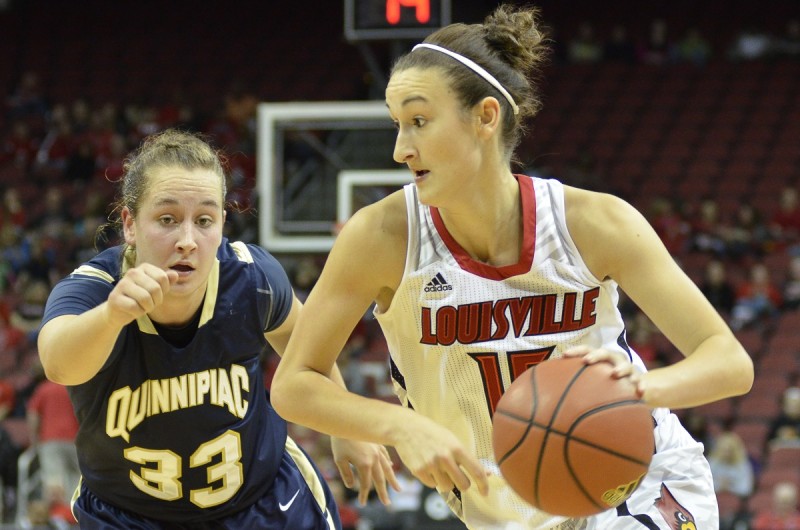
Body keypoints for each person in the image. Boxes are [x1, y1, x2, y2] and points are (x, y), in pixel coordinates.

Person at [271, 4, 754, 529]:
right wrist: (392, 425)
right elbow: (295, 383)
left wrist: (641, 391)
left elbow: (729, 362)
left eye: (418, 121)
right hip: (502, 509)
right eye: (396, 125)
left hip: (633, 478)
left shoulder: (593, 223)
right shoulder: (382, 237)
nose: (399, 149)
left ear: (485, 116)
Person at [37, 129, 394, 529]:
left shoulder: (252, 276)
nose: (188, 240)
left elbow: (309, 351)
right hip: (129, 516)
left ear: (223, 223)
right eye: (167, 219)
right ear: (130, 224)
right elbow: (58, 364)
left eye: (204, 220)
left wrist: (345, 427)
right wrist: (111, 317)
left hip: (262, 501)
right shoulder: (93, 288)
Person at [26, 376, 80, 514]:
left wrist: (34, 440)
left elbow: (33, 414)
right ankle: (75, 515)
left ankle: (57, 517)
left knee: (54, 480)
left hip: (51, 440)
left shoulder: (44, 388)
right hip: (76, 439)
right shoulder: (74, 387)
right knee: (78, 480)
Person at [707, 431, 754, 497]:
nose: (726, 453)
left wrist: (729, 486)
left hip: (737, 500)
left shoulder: (743, 465)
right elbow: (705, 485)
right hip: (713, 498)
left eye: (730, 450)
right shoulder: (711, 463)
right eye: (723, 450)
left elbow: (746, 488)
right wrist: (720, 485)